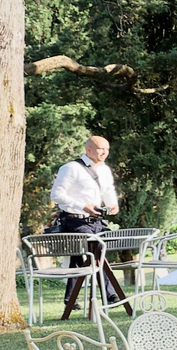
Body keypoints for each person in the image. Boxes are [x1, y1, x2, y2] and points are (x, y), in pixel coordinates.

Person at [49, 133, 128, 317]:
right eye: (101, 149)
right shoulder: (71, 168)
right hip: (75, 219)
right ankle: (111, 295)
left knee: (83, 258)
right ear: (89, 149)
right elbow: (56, 194)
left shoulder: (105, 170)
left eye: (107, 149)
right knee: (95, 251)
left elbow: (108, 190)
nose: (104, 153)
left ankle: (71, 299)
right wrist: (82, 206)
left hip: (97, 220)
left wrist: (112, 204)